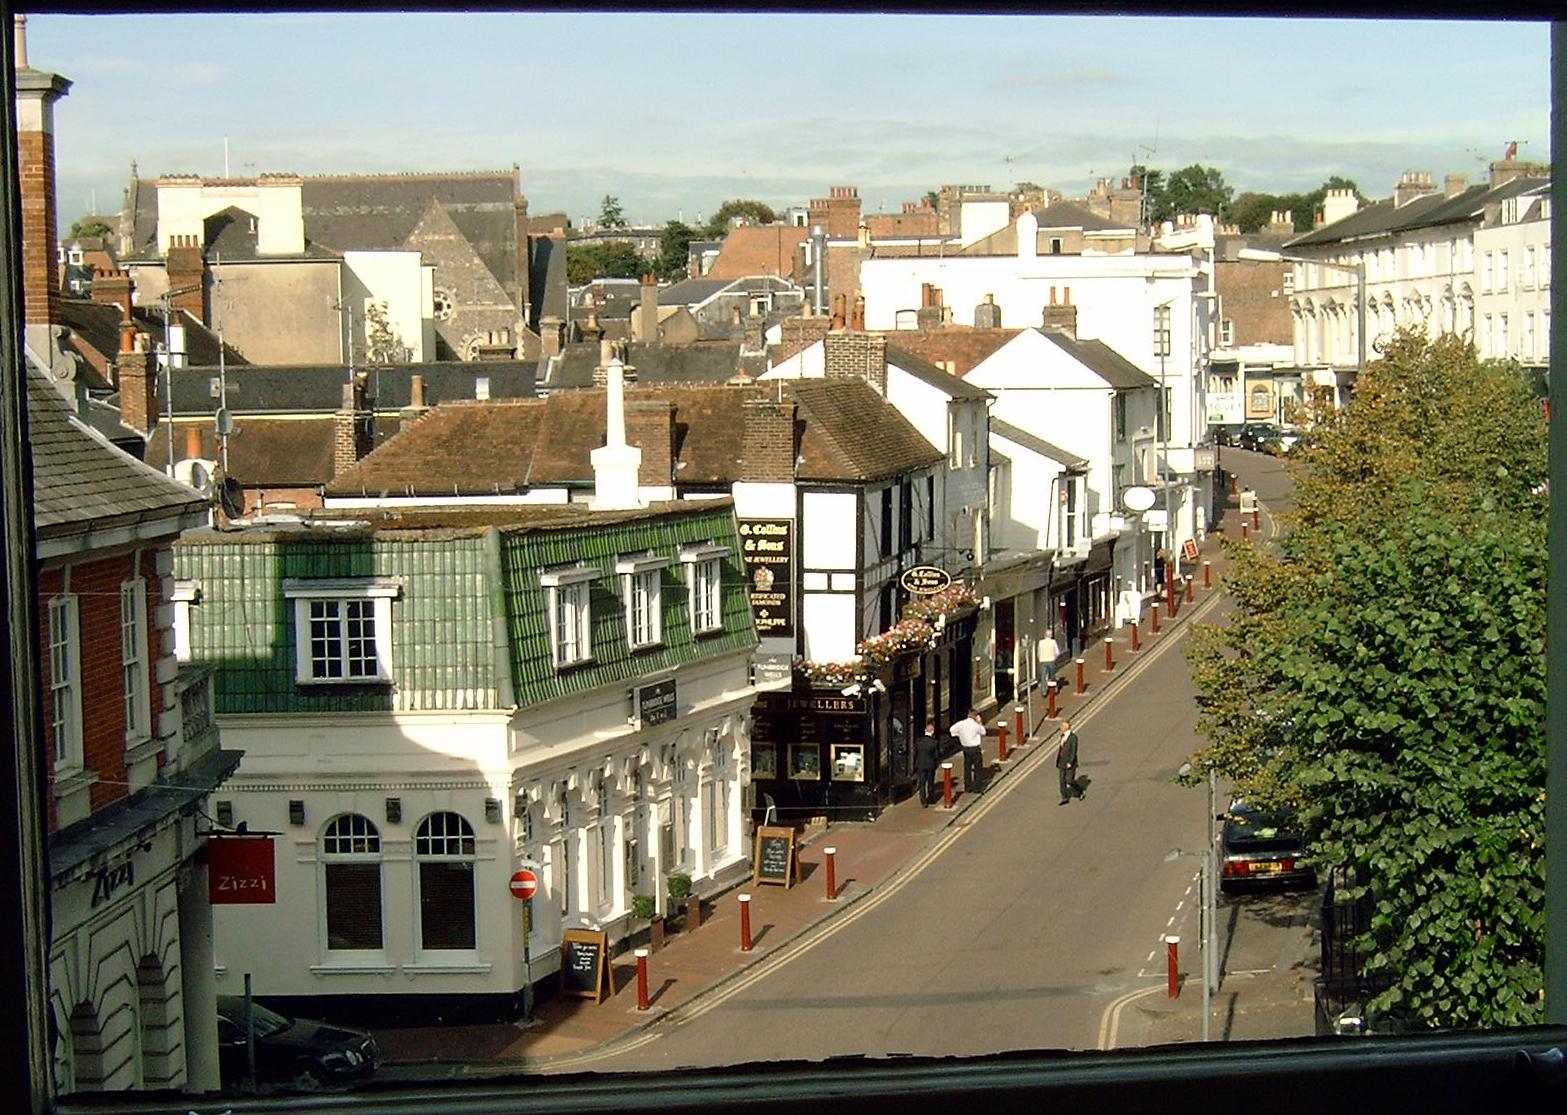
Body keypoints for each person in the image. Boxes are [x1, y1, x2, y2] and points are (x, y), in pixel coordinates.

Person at [950, 708, 986, 794]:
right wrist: (980, 722)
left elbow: (952, 730)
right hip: (975, 749)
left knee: (967, 768)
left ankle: (968, 787)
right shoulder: (976, 725)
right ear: (975, 716)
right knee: (978, 768)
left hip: (965, 748)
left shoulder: (961, 724)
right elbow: (983, 732)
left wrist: (960, 735)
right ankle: (977, 788)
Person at [1055, 718, 1082, 805]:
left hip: (1070, 763)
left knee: (1069, 780)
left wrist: (1070, 762)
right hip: (1061, 762)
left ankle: (1079, 790)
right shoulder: (1062, 736)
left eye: (1062, 726)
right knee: (1062, 781)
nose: (1060, 727)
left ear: (1067, 727)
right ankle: (1064, 798)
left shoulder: (1073, 738)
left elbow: (1073, 750)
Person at [913, 730, 940, 807]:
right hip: (930, 765)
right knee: (930, 782)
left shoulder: (919, 742)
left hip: (920, 765)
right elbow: (936, 755)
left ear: (925, 731)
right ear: (932, 731)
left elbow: (915, 753)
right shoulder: (934, 742)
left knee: (922, 783)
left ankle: (923, 801)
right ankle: (931, 799)